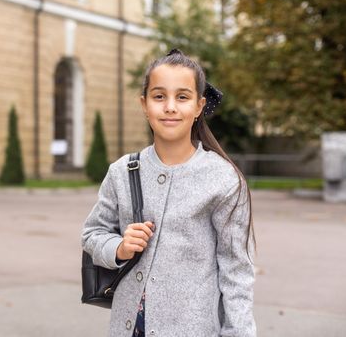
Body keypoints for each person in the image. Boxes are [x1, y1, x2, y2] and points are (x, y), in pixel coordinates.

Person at [81, 49, 257, 337]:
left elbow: (236, 272)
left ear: (199, 106)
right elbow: (92, 234)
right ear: (145, 104)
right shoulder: (122, 171)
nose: (170, 107)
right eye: (159, 96)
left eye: (183, 97)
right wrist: (120, 248)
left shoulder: (223, 179)